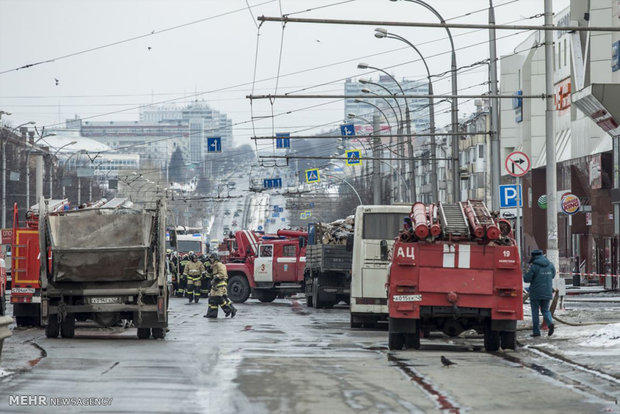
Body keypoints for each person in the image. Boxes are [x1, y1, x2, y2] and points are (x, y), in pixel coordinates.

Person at [523, 249, 556, 337]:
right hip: (547, 291)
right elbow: (553, 275)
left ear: (533, 256)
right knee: (545, 310)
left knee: (535, 313)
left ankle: (536, 332)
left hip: (536, 293)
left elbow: (527, 279)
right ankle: (550, 324)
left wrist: (525, 272)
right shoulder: (550, 265)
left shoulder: (533, 266)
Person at [204, 253, 237, 318]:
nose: (211, 260)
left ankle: (229, 310)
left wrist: (216, 278)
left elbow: (222, 274)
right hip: (215, 285)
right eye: (210, 258)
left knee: (217, 298)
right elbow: (209, 275)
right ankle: (212, 314)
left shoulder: (219, 265)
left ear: (215, 258)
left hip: (219, 284)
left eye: (212, 258)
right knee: (212, 299)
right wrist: (208, 270)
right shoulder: (213, 265)